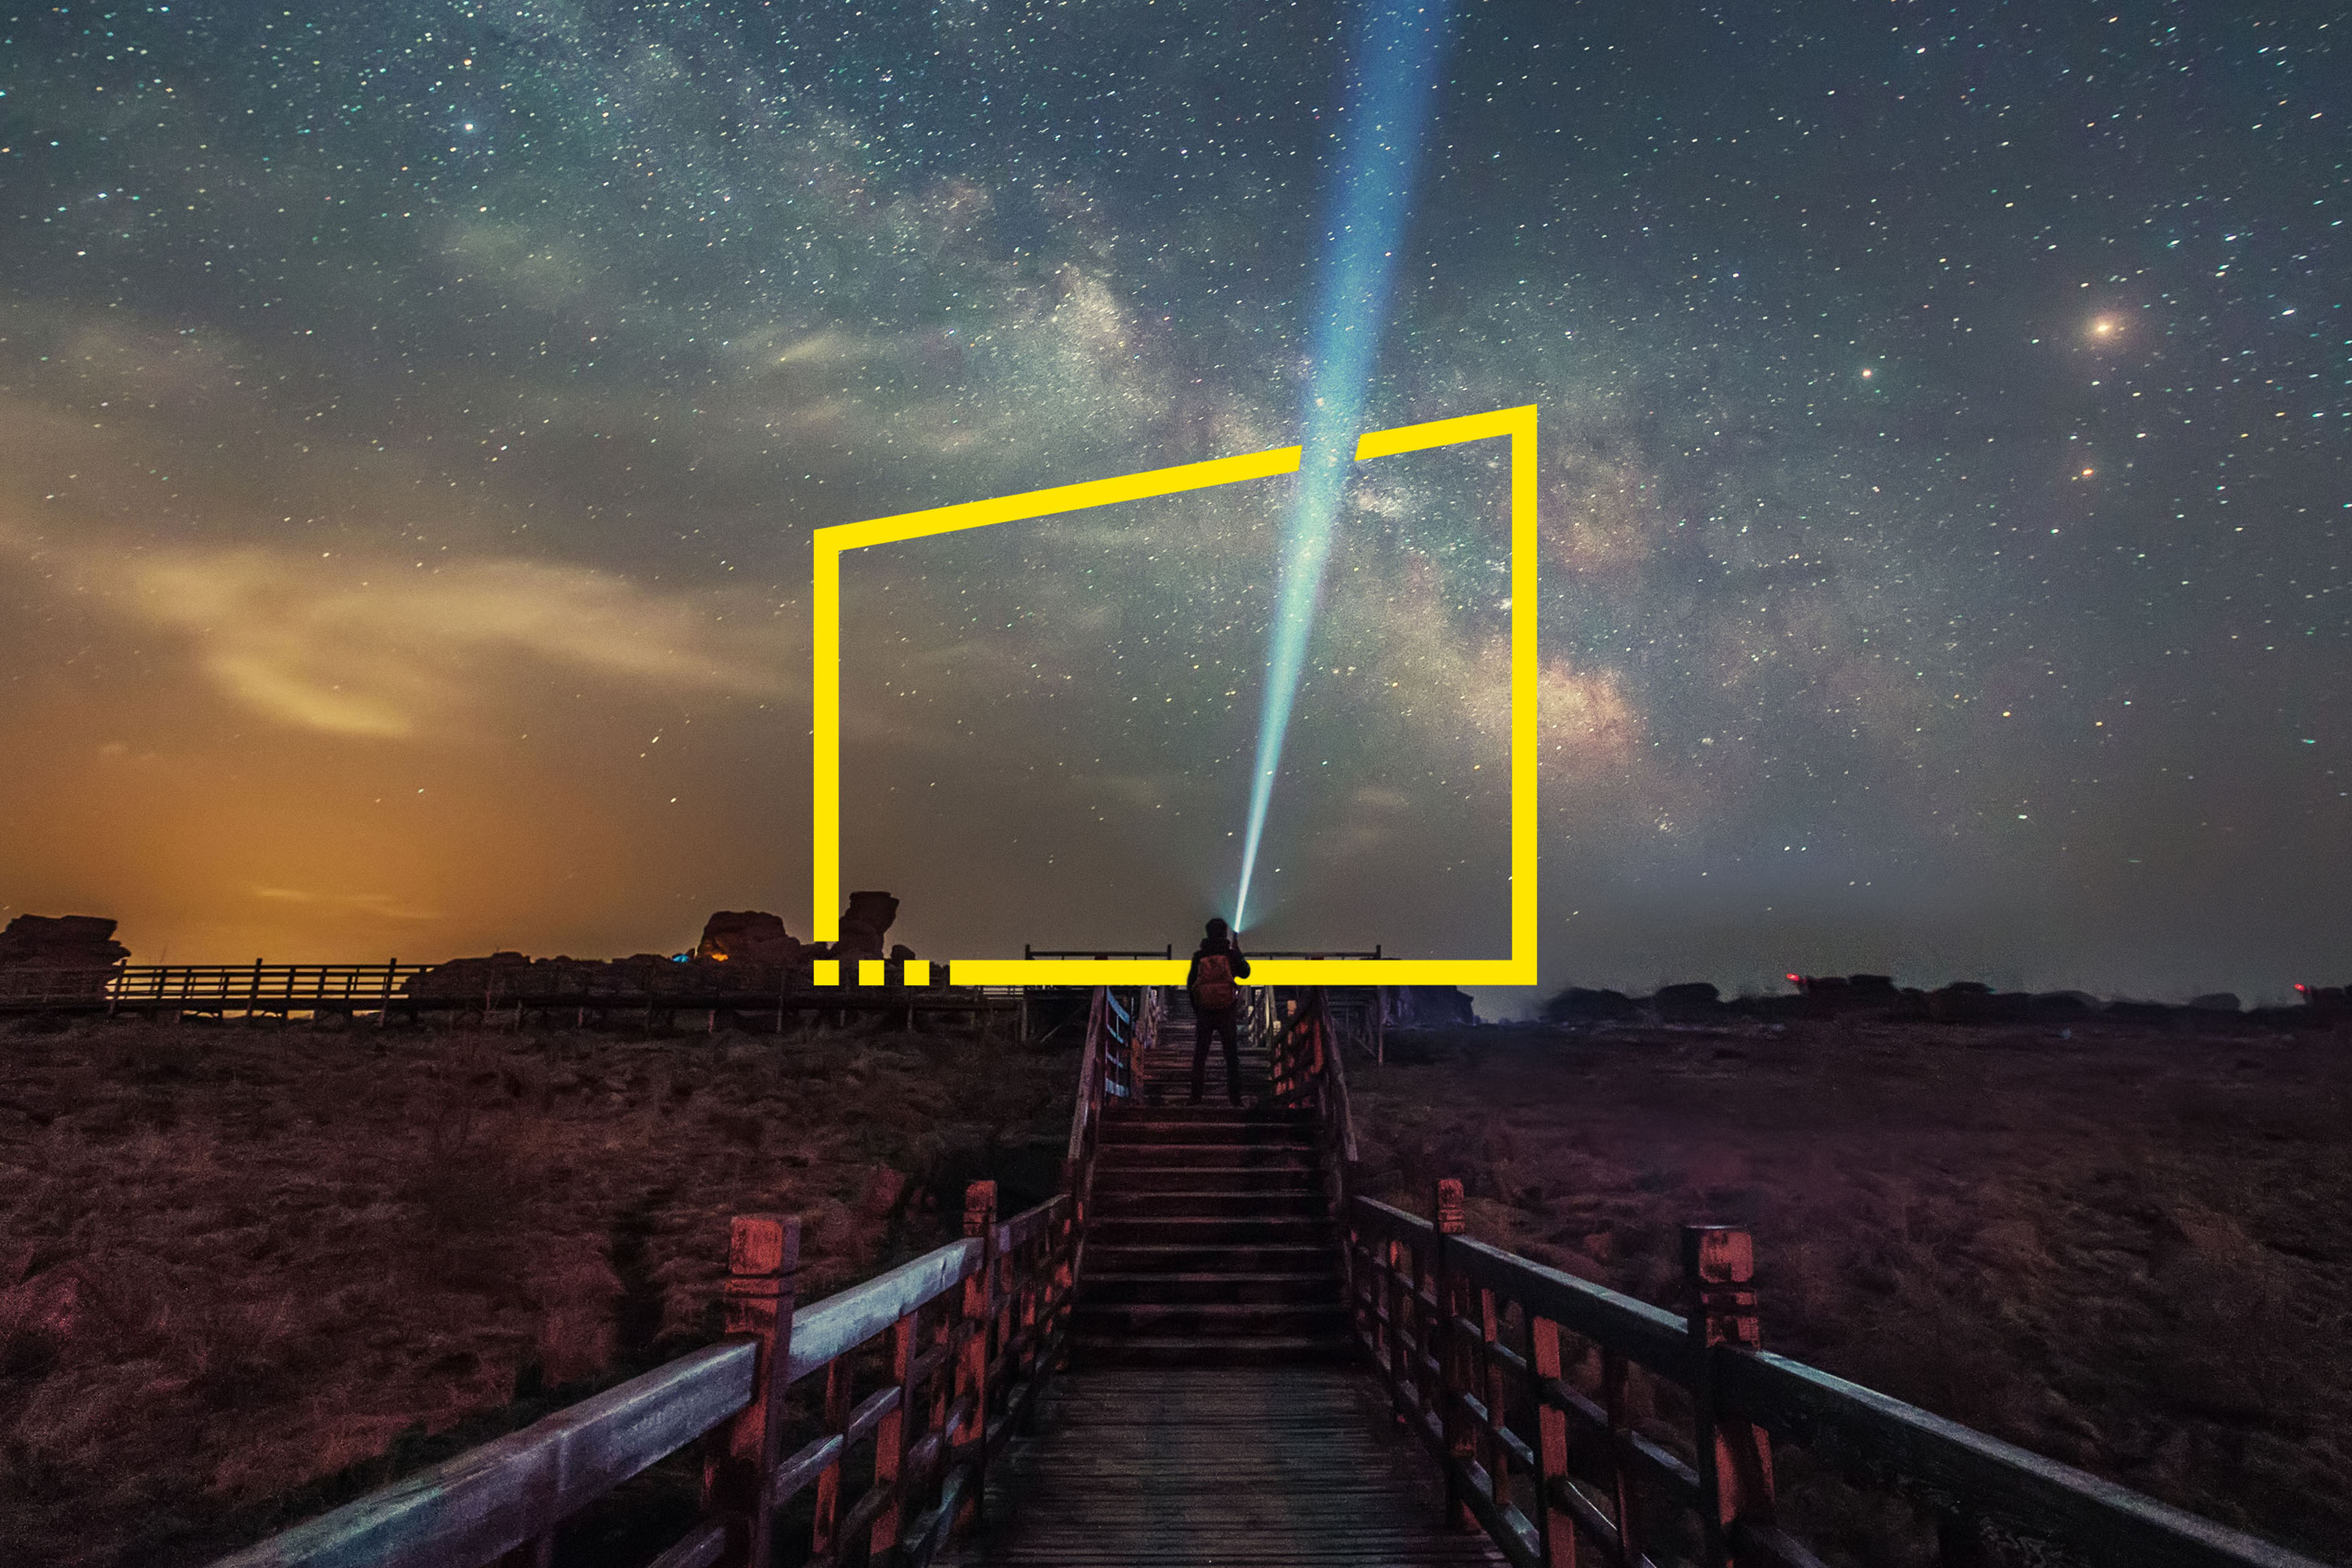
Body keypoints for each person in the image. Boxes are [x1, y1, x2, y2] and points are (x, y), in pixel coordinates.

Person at [1183, 918, 1252, 1106]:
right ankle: (1235, 1099)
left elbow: (1191, 985)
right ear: (1225, 933)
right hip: (1227, 1011)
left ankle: (1196, 1098)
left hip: (1205, 1012)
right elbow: (1246, 973)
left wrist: (1199, 1009)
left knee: (1200, 1056)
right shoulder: (1230, 955)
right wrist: (1238, 952)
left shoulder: (1199, 956)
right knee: (1231, 1056)